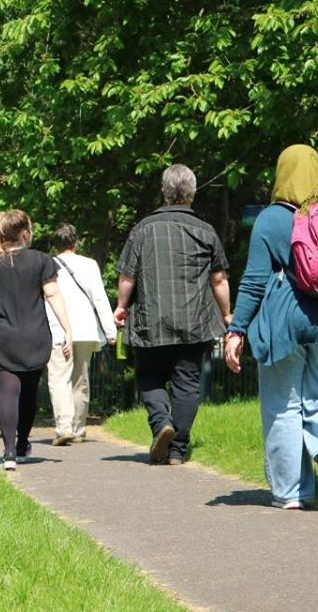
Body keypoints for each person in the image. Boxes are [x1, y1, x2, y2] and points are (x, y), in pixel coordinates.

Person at [224, 144, 318, 510]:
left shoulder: (271, 219)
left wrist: (237, 329)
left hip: (285, 326)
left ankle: (292, 493)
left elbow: (255, 280)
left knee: (283, 406)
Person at [114, 164, 231, 465]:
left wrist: (121, 306)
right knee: (187, 383)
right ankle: (178, 449)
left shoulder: (142, 229)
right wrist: (227, 314)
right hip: (194, 321)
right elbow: (218, 280)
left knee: (149, 377)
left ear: (164, 193)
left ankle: (160, 423)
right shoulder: (205, 231)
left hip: (150, 321)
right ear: (192, 193)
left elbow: (128, 276)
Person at [0, 210, 73, 471]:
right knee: (28, 393)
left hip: (2, 337)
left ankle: (9, 453)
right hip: (35, 336)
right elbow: (53, 296)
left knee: (6, 394)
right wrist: (67, 330)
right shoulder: (41, 260)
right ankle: (24, 442)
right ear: (26, 233)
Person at [45, 223, 117, 445]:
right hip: (85, 329)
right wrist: (110, 329)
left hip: (58, 328)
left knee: (59, 378)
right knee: (80, 379)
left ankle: (63, 426)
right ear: (76, 242)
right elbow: (99, 298)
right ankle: (78, 428)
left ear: (54, 244)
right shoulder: (89, 265)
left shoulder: (48, 264)